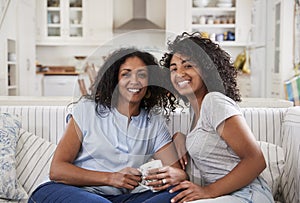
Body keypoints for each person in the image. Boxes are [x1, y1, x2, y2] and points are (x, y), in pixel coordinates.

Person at [28, 47, 187, 203]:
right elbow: (57, 170)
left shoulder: (154, 121)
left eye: (142, 75)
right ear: (114, 81)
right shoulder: (87, 109)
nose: (134, 81)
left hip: (121, 197)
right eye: (126, 74)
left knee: (178, 192)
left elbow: (177, 173)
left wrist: (178, 137)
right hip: (69, 190)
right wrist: (111, 178)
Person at [145, 32, 274, 203]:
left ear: (207, 69)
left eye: (188, 65)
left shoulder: (214, 102)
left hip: (248, 194)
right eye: (174, 68)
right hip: (226, 195)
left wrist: (208, 191)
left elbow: (256, 160)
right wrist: (180, 136)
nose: (179, 73)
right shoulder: (194, 110)